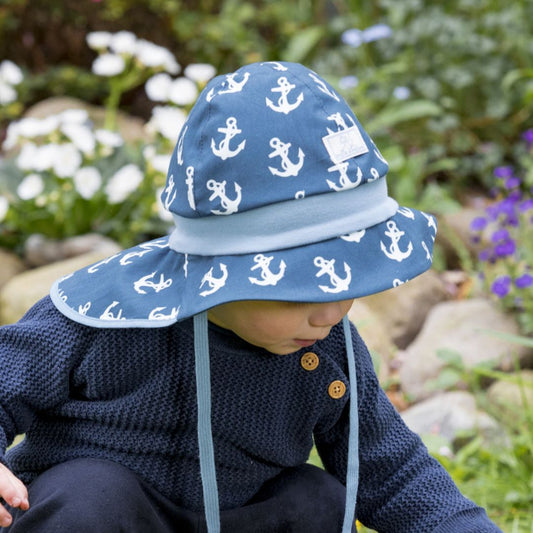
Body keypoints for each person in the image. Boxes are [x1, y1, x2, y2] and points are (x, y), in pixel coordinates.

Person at [0, 61, 501, 533]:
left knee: (317, 499)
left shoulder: (327, 353)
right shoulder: (105, 316)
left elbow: (393, 471)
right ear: (219, 273)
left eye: (345, 286)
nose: (329, 313)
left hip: (234, 516)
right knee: (93, 494)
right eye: (297, 292)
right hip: (107, 518)